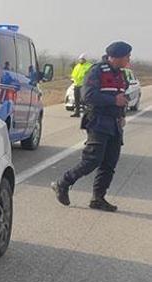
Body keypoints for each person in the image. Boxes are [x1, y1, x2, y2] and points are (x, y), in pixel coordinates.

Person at [52, 42, 132, 212]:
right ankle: (63, 183)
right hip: (98, 121)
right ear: (117, 57)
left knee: (110, 162)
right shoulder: (96, 71)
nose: (128, 59)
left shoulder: (121, 74)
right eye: (127, 56)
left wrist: (122, 113)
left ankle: (98, 198)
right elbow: (88, 95)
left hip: (115, 123)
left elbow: (121, 96)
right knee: (92, 160)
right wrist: (113, 101)